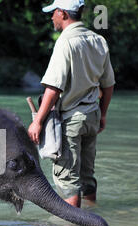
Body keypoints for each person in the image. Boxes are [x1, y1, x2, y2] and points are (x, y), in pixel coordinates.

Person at [28, 0, 115, 208]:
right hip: (92, 116)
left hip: (71, 121)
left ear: (63, 14)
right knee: (87, 178)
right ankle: (94, 219)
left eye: (53, 13)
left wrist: (37, 122)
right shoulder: (98, 40)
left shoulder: (65, 42)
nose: (51, 18)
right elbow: (109, 84)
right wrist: (102, 115)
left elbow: (53, 88)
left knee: (68, 182)